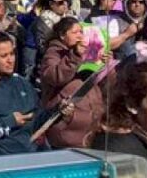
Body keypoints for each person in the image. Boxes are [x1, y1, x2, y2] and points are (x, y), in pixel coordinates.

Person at [39, 17, 106, 149]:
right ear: (63, 35)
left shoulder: (87, 52)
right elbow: (54, 77)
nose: (80, 36)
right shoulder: (54, 53)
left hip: (90, 127)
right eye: (75, 32)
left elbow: (103, 83)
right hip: (68, 129)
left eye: (81, 32)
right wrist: (75, 56)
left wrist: (104, 63)